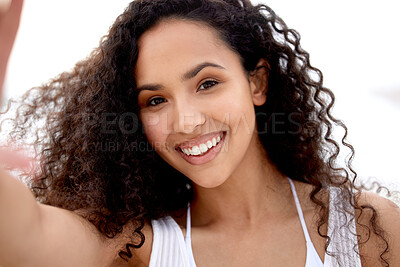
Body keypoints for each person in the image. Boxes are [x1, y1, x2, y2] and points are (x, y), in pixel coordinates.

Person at [0, 0, 399, 266]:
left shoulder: (366, 229)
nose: (186, 122)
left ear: (257, 83)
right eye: (155, 100)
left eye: (207, 83)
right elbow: (24, 235)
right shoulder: (135, 245)